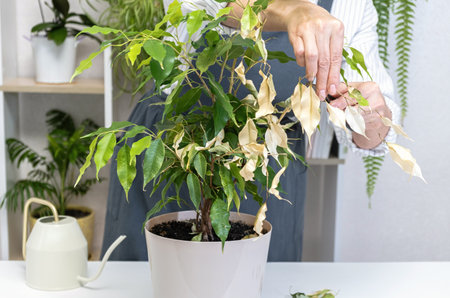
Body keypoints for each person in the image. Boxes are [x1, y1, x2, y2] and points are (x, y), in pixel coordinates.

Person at [101, 0, 400, 261]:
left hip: (270, 167)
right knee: (157, 275)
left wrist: (370, 117)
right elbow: (212, 5)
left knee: (258, 278)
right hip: (177, 149)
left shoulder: (353, 5)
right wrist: (295, 10)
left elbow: (371, 132)